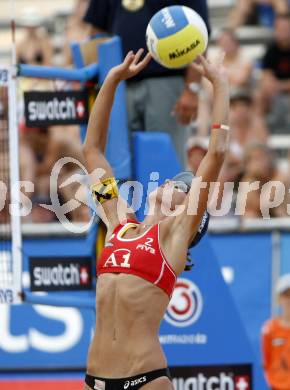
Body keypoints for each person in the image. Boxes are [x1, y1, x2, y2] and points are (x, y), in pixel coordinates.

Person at [82, 49, 229, 390]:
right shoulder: (119, 224)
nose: (170, 182)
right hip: (95, 379)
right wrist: (112, 81)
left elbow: (216, 153)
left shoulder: (174, 235)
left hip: (144, 378)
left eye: (181, 186)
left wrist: (219, 86)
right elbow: (92, 151)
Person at [84, 0, 210, 165]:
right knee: (119, 164)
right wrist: (98, 84)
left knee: (167, 163)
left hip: (166, 82)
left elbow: (199, 33)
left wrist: (192, 88)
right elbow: (97, 31)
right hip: (119, 84)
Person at [256, 13, 290, 133]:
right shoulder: (271, 48)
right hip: (275, 88)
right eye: (280, 28)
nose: (282, 32)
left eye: (285, 29)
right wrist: (272, 85)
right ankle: (260, 130)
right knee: (259, 94)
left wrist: (280, 86)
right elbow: (266, 74)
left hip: (281, 87)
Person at [262, 274, 290, 390]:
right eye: (286, 295)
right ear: (279, 299)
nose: (289, 299)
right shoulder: (269, 328)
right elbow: (266, 362)